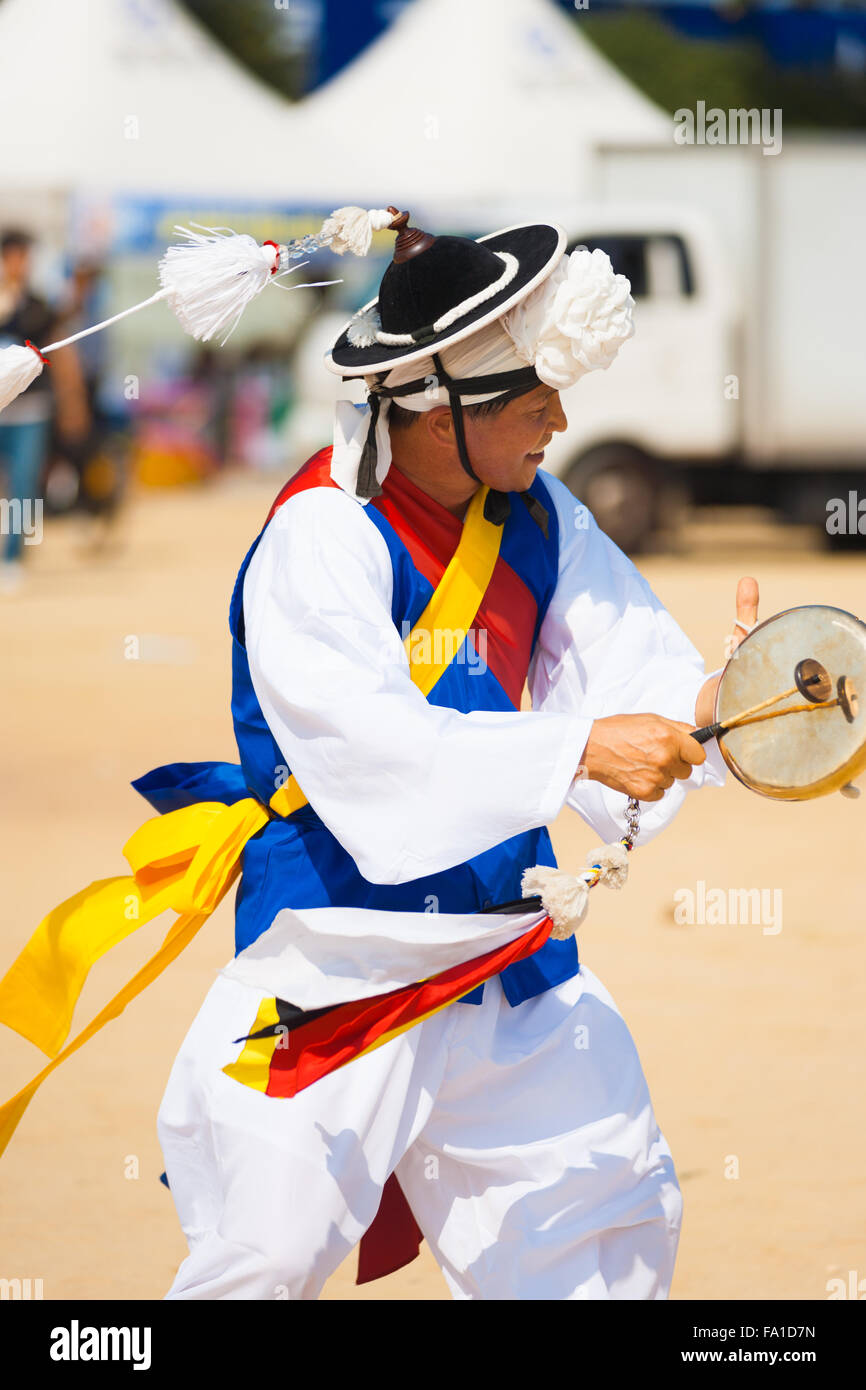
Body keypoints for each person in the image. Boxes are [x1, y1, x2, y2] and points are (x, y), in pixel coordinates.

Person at [149, 210, 757, 1300]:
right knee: (262, 1255)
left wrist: (747, 701)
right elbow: (375, 755)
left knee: (603, 1227)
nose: (559, 421)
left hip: (502, 953)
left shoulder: (541, 513)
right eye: (532, 403)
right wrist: (575, 748)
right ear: (437, 415)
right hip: (335, 958)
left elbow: (641, 685)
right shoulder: (318, 536)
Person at [0, 229, 90, 590]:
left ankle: (12, 556)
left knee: (24, 485)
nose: (21, 264)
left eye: (26, 257)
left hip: (32, 411)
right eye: (15, 256)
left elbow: (61, 346)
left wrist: (73, 402)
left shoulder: (37, 306)